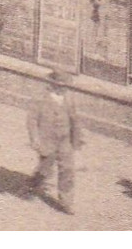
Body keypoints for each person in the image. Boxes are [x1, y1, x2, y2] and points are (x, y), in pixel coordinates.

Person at [26, 69, 83, 214]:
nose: (62, 88)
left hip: (64, 140)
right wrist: (34, 139)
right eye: (59, 85)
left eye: (65, 85)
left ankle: (66, 202)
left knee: (67, 169)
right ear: (52, 84)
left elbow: (75, 120)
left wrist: (77, 140)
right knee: (45, 168)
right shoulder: (40, 98)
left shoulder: (69, 99)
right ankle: (35, 181)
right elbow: (31, 120)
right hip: (47, 140)